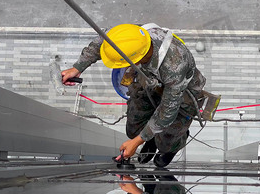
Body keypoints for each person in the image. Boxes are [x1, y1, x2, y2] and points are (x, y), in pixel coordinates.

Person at [62, 23, 206, 167]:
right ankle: (150, 140)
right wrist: (77, 68)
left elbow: (167, 112)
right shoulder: (134, 35)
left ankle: (172, 144)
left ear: (136, 59)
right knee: (132, 130)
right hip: (150, 81)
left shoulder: (175, 65)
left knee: (166, 142)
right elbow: (103, 42)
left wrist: (137, 142)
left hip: (181, 92)